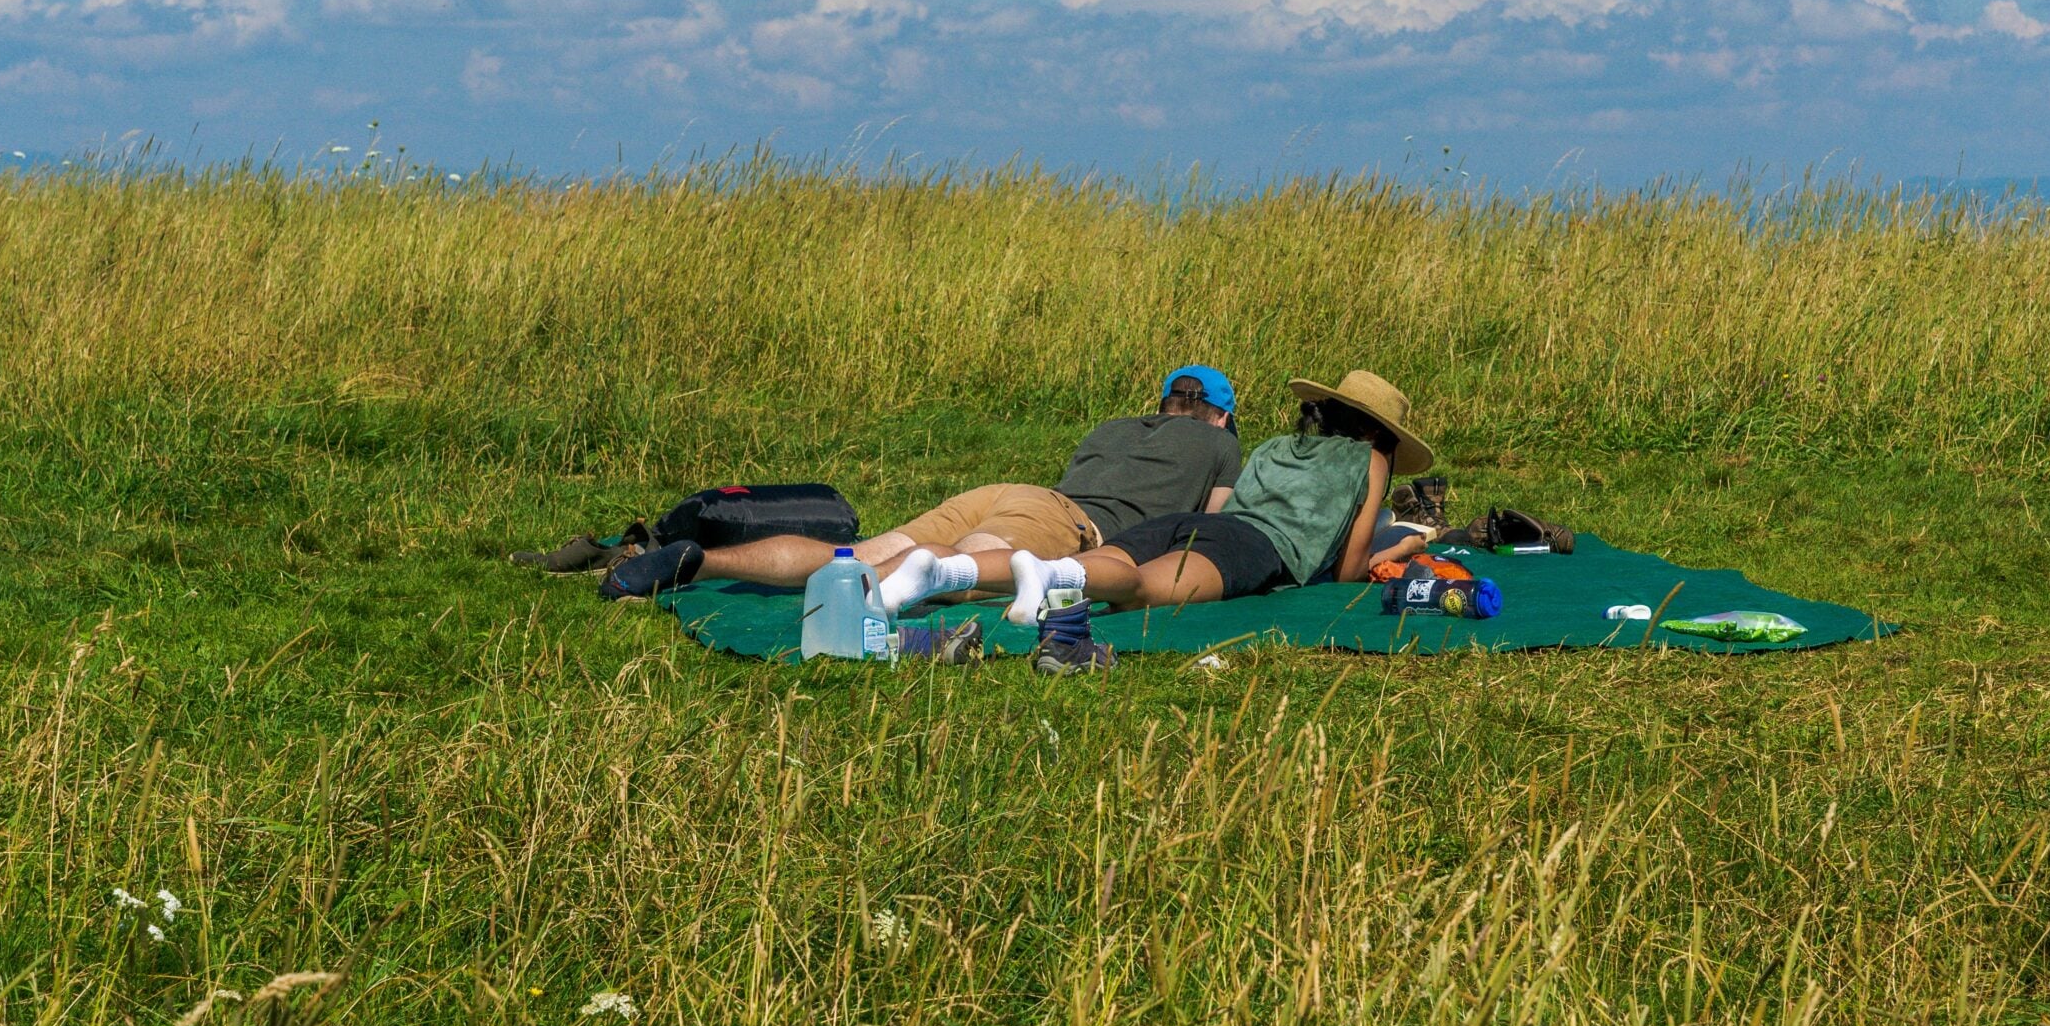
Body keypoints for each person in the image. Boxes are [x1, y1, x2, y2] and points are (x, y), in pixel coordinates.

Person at [905, 370, 1432, 674]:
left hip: (1191, 523)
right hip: (1250, 546)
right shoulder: (1372, 460)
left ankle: (946, 569)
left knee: (1099, 561)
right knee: (1138, 591)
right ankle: (1053, 580)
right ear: (1380, 433)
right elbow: (1348, 570)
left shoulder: (1275, 446)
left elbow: (1232, 510)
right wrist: (1399, 551)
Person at [599, 366, 1244, 600]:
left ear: (1162, 403)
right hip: (1069, 521)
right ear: (1218, 414)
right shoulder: (1220, 443)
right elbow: (1213, 528)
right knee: (947, 571)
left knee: (862, 552)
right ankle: (858, 607)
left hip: (1010, 492)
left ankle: (702, 563)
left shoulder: (1110, 428)